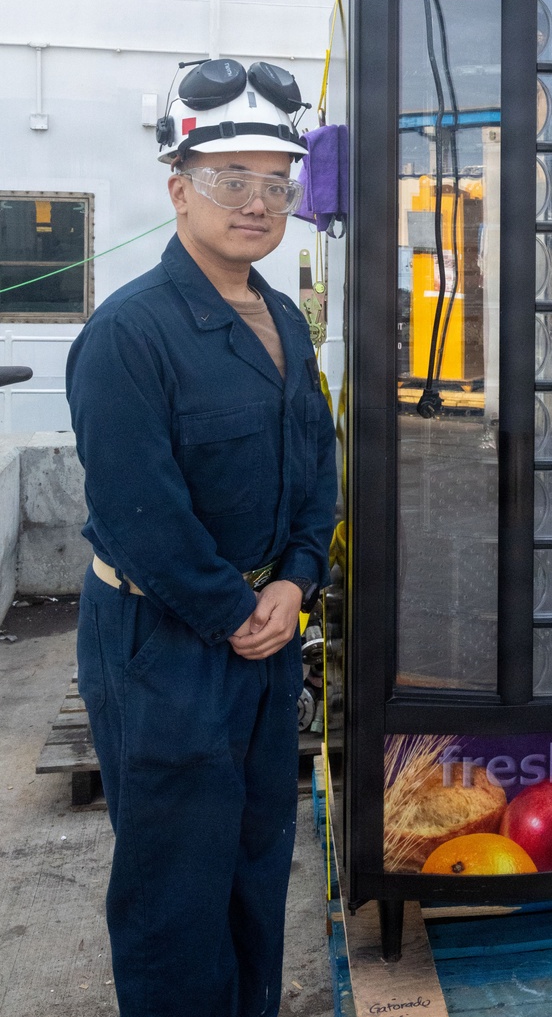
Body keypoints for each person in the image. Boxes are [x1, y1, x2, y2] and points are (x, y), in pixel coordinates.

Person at [66, 58, 336, 1017]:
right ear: (179, 189)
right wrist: (236, 610)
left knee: (258, 856)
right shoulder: (128, 335)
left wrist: (298, 580)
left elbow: (316, 461)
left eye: (276, 182)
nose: (257, 203)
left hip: (263, 633)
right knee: (175, 884)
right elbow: (142, 511)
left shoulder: (285, 324)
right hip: (163, 649)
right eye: (232, 181)